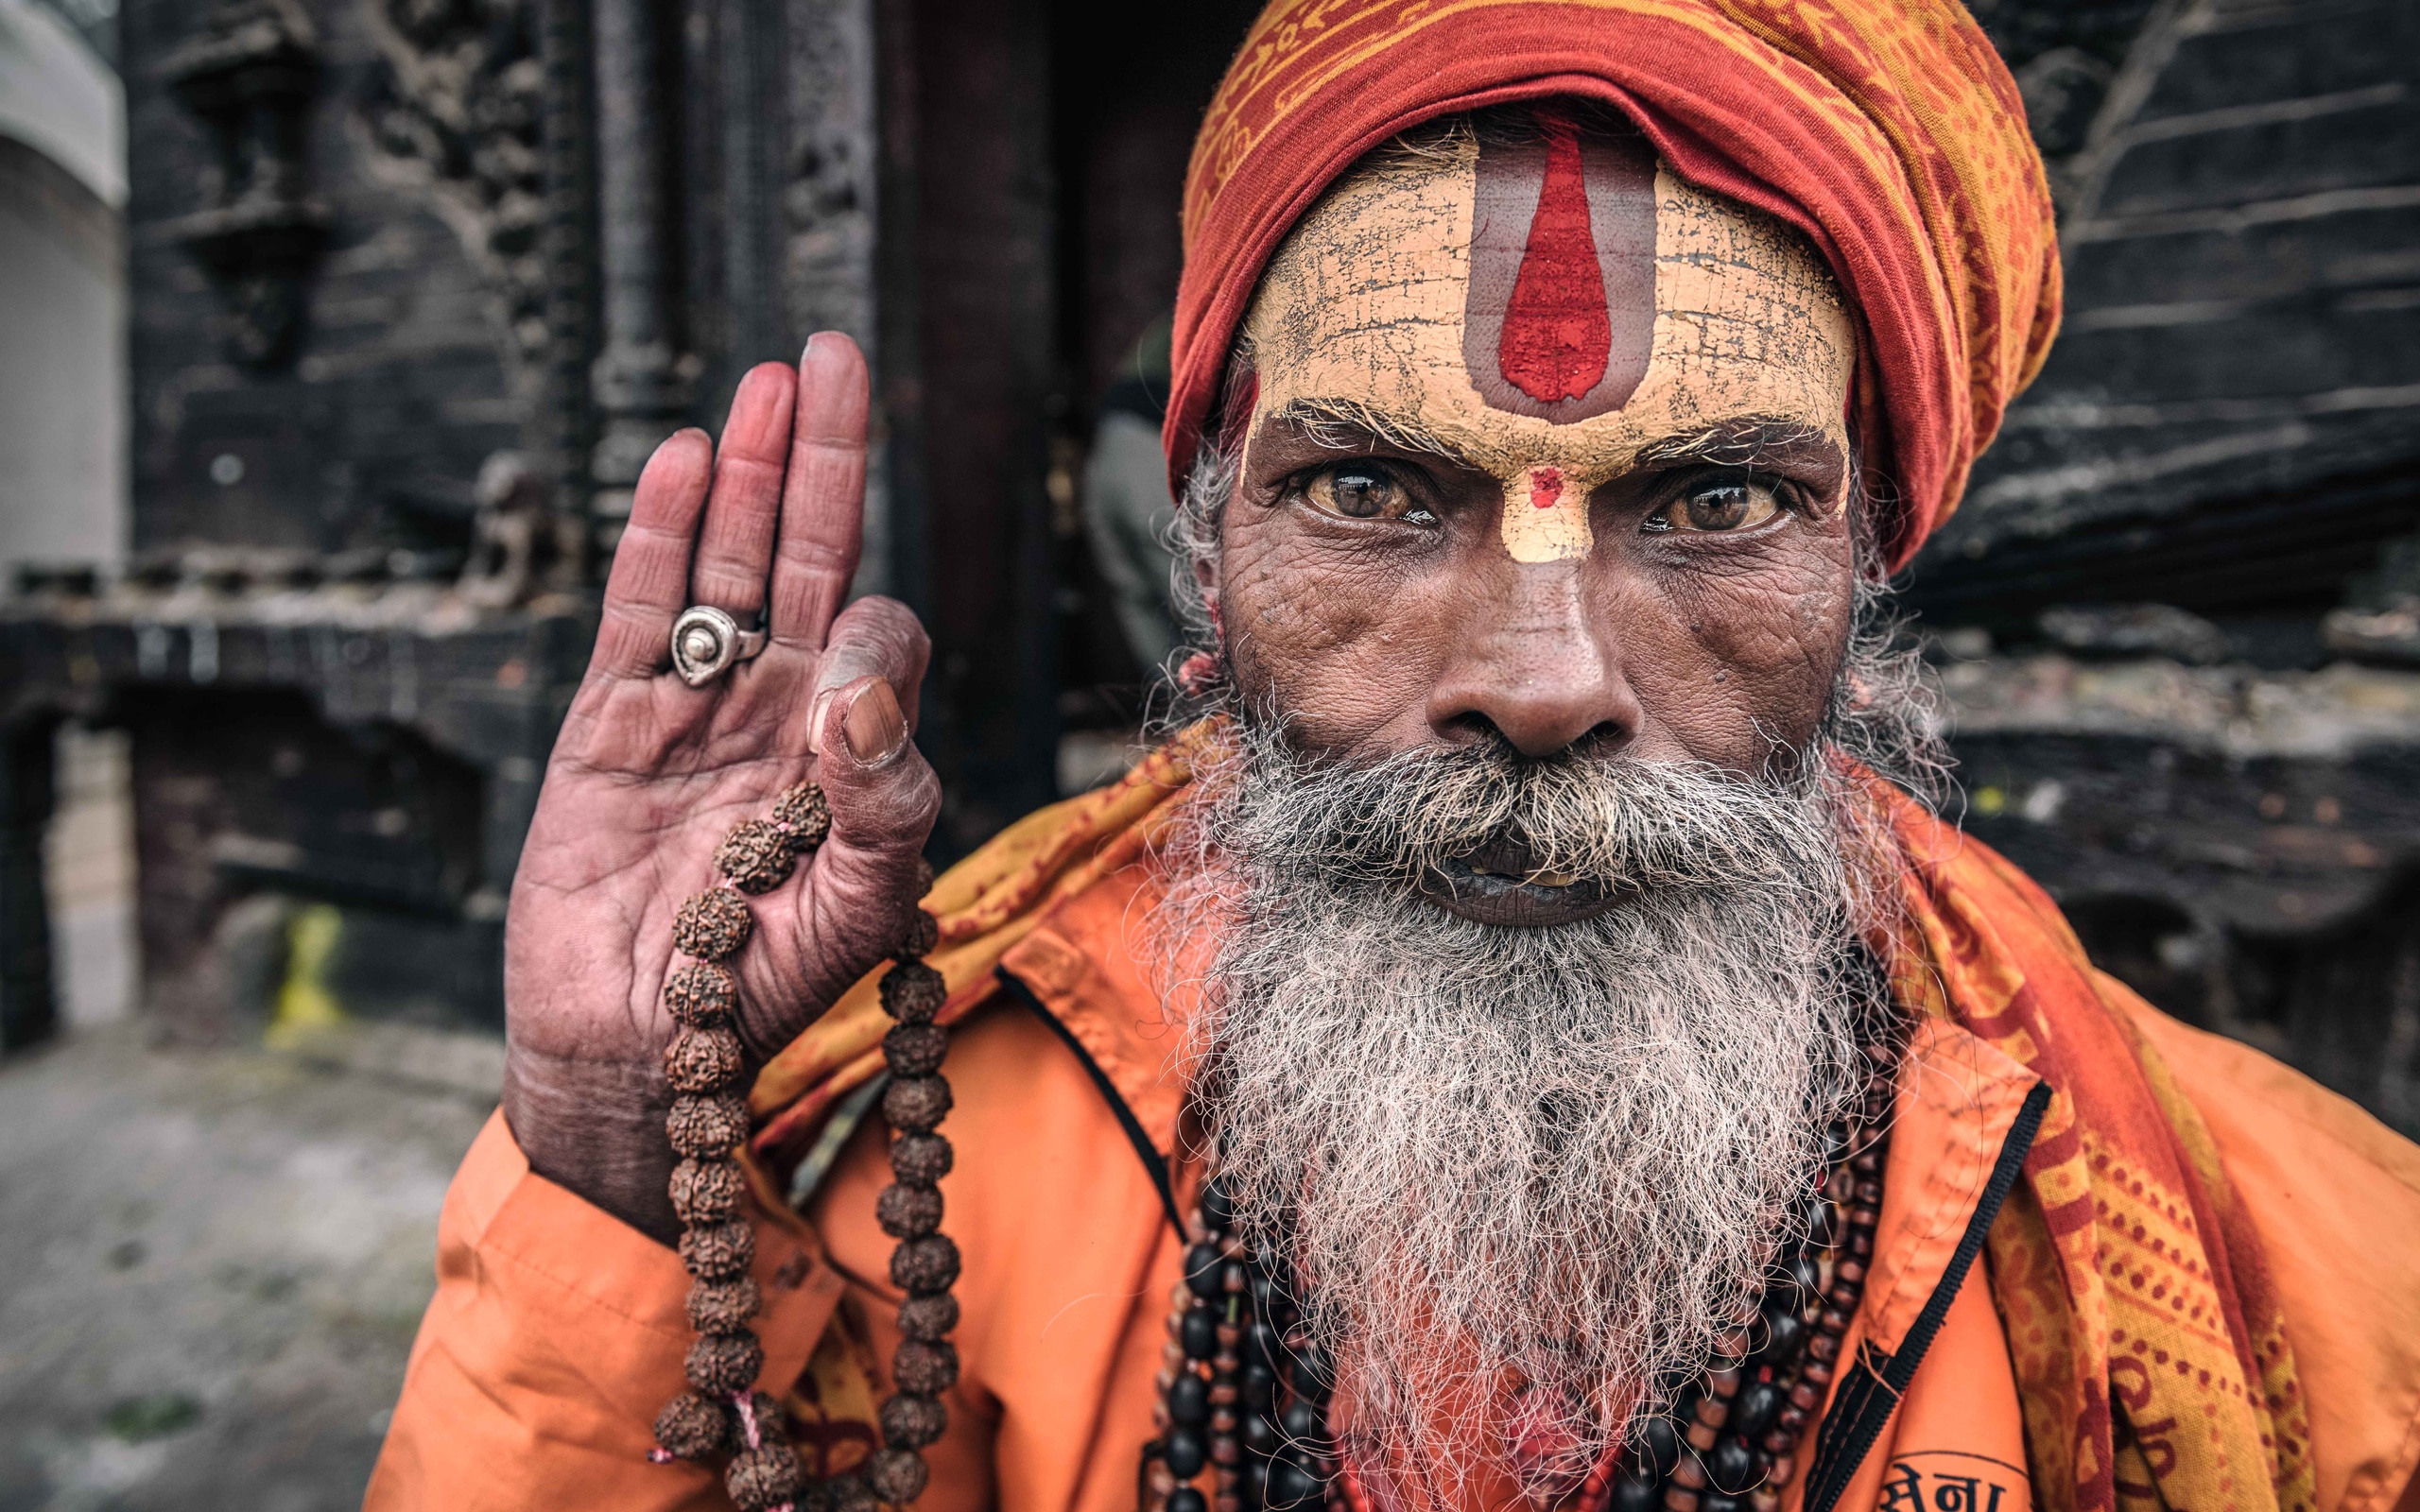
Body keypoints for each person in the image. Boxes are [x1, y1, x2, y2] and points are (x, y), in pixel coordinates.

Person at [366, 3, 2420, 1511]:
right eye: (1365, 489)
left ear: (1866, 571)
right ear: (1206, 558)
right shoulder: (936, 1142)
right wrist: (615, 1135)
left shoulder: (2311, 1282)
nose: (1538, 678)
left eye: (1712, 505)